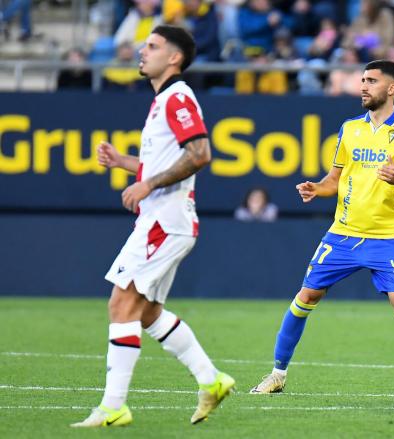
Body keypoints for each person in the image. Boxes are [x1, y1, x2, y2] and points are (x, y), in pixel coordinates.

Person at [250, 59, 394, 398]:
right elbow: (335, 179)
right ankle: (277, 375)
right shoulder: (349, 128)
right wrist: (318, 188)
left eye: (371, 81)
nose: (363, 86)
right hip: (342, 234)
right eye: (362, 80)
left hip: (386, 237)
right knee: (305, 297)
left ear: (391, 88)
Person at [71, 25, 234, 428]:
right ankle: (210, 380)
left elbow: (200, 153)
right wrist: (126, 164)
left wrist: (146, 183)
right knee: (145, 313)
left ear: (174, 58)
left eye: (153, 46)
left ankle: (114, 406)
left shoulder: (178, 96)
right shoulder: (164, 99)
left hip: (165, 219)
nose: (143, 51)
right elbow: (166, 162)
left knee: (120, 304)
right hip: (167, 219)